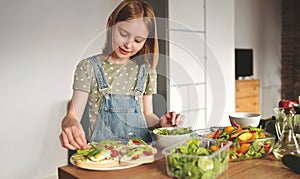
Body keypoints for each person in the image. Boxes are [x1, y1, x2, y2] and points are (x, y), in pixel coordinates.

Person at [59, 0, 184, 150]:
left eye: (138, 40)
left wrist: (160, 124)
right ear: (110, 24)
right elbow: (72, 116)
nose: (129, 44)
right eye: (123, 34)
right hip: (105, 157)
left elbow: (147, 114)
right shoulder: (88, 67)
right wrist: (70, 123)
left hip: (141, 154)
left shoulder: (147, 70)